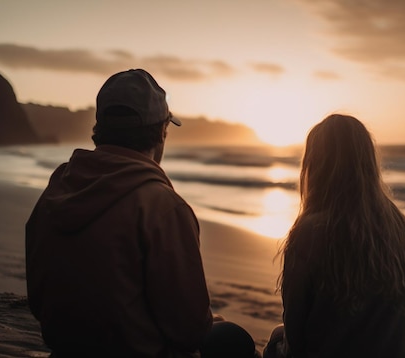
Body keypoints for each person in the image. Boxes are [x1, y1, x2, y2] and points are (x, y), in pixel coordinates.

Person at [26, 69, 257, 357]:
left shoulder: (58, 187)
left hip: (66, 348)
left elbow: (37, 299)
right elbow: (189, 330)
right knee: (233, 339)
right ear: (162, 131)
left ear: (100, 129)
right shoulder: (162, 206)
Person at [264, 114, 405, 358]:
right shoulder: (397, 225)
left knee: (241, 337)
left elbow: (296, 336)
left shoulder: (311, 232)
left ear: (315, 165)